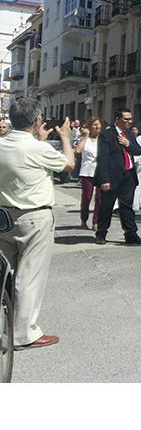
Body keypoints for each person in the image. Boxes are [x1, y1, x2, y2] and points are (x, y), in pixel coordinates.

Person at [0, 98, 74, 351]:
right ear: (36, 120)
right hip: (34, 217)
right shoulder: (37, 148)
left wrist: (38, 139)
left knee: (3, 272)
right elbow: (68, 164)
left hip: (4, 215)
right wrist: (65, 137)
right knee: (29, 277)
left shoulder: (3, 143)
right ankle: (24, 334)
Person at [94, 108, 141, 246]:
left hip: (128, 176)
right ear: (117, 120)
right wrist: (104, 180)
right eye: (126, 119)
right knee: (106, 206)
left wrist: (128, 144)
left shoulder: (128, 134)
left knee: (126, 206)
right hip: (112, 177)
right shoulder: (107, 135)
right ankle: (101, 233)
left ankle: (131, 234)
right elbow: (103, 159)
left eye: (131, 119)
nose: (130, 121)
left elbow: (138, 151)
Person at [75, 117, 103, 231]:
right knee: (87, 197)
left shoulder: (102, 140)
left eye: (99, 125)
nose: (97, 127)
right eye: (95, 125)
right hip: (87, 171)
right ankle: (83, 219)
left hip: (100, 171)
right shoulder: (83, 139)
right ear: (89, 127)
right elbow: (77, 150)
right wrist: (85, 136)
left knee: (99, 198)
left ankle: (96, 222)